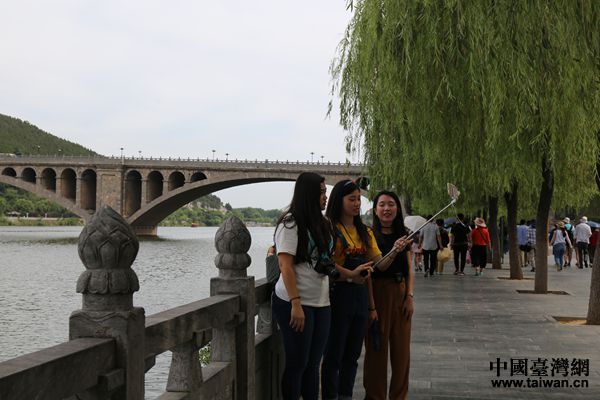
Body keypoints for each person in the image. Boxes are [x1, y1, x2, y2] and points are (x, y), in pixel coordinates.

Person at [321, 180, 407, 400]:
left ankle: (345, 395)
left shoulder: (365, 232)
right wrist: (351, 274)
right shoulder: (329, 229)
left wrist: (395, 251)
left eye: (359, 199)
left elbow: (378, 265)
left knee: (352, 356)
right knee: (334, 354)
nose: (357, 203)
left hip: (359, 299)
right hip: (337, 296)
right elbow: (324, 263)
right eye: (352, 199)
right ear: (338, 201)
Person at [271, 172, 335, 400]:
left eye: (325, 192)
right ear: (309, 194)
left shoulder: (323, 223)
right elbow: (285, 266)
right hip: (295, 302)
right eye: (321, 192)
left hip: (321, 302)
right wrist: (295, 304)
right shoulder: (290, 223)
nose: (325, 197)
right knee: (298, 363)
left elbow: (324, 260)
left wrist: (351, 274)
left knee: (313, 364)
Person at [364, 190, 414, 400]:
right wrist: (371, 306)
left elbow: (409, 268)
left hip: (400, 291)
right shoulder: (368, 234)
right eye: (382, 204)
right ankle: (375, 396)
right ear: (375, 210)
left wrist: (409, 296)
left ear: (397, 208)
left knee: (402, 352)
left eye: (391, 204)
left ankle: (399, 396)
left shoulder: (405, 234)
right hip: (378, 292)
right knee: (376, 350)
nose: (387, 209)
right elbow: (371, 271)